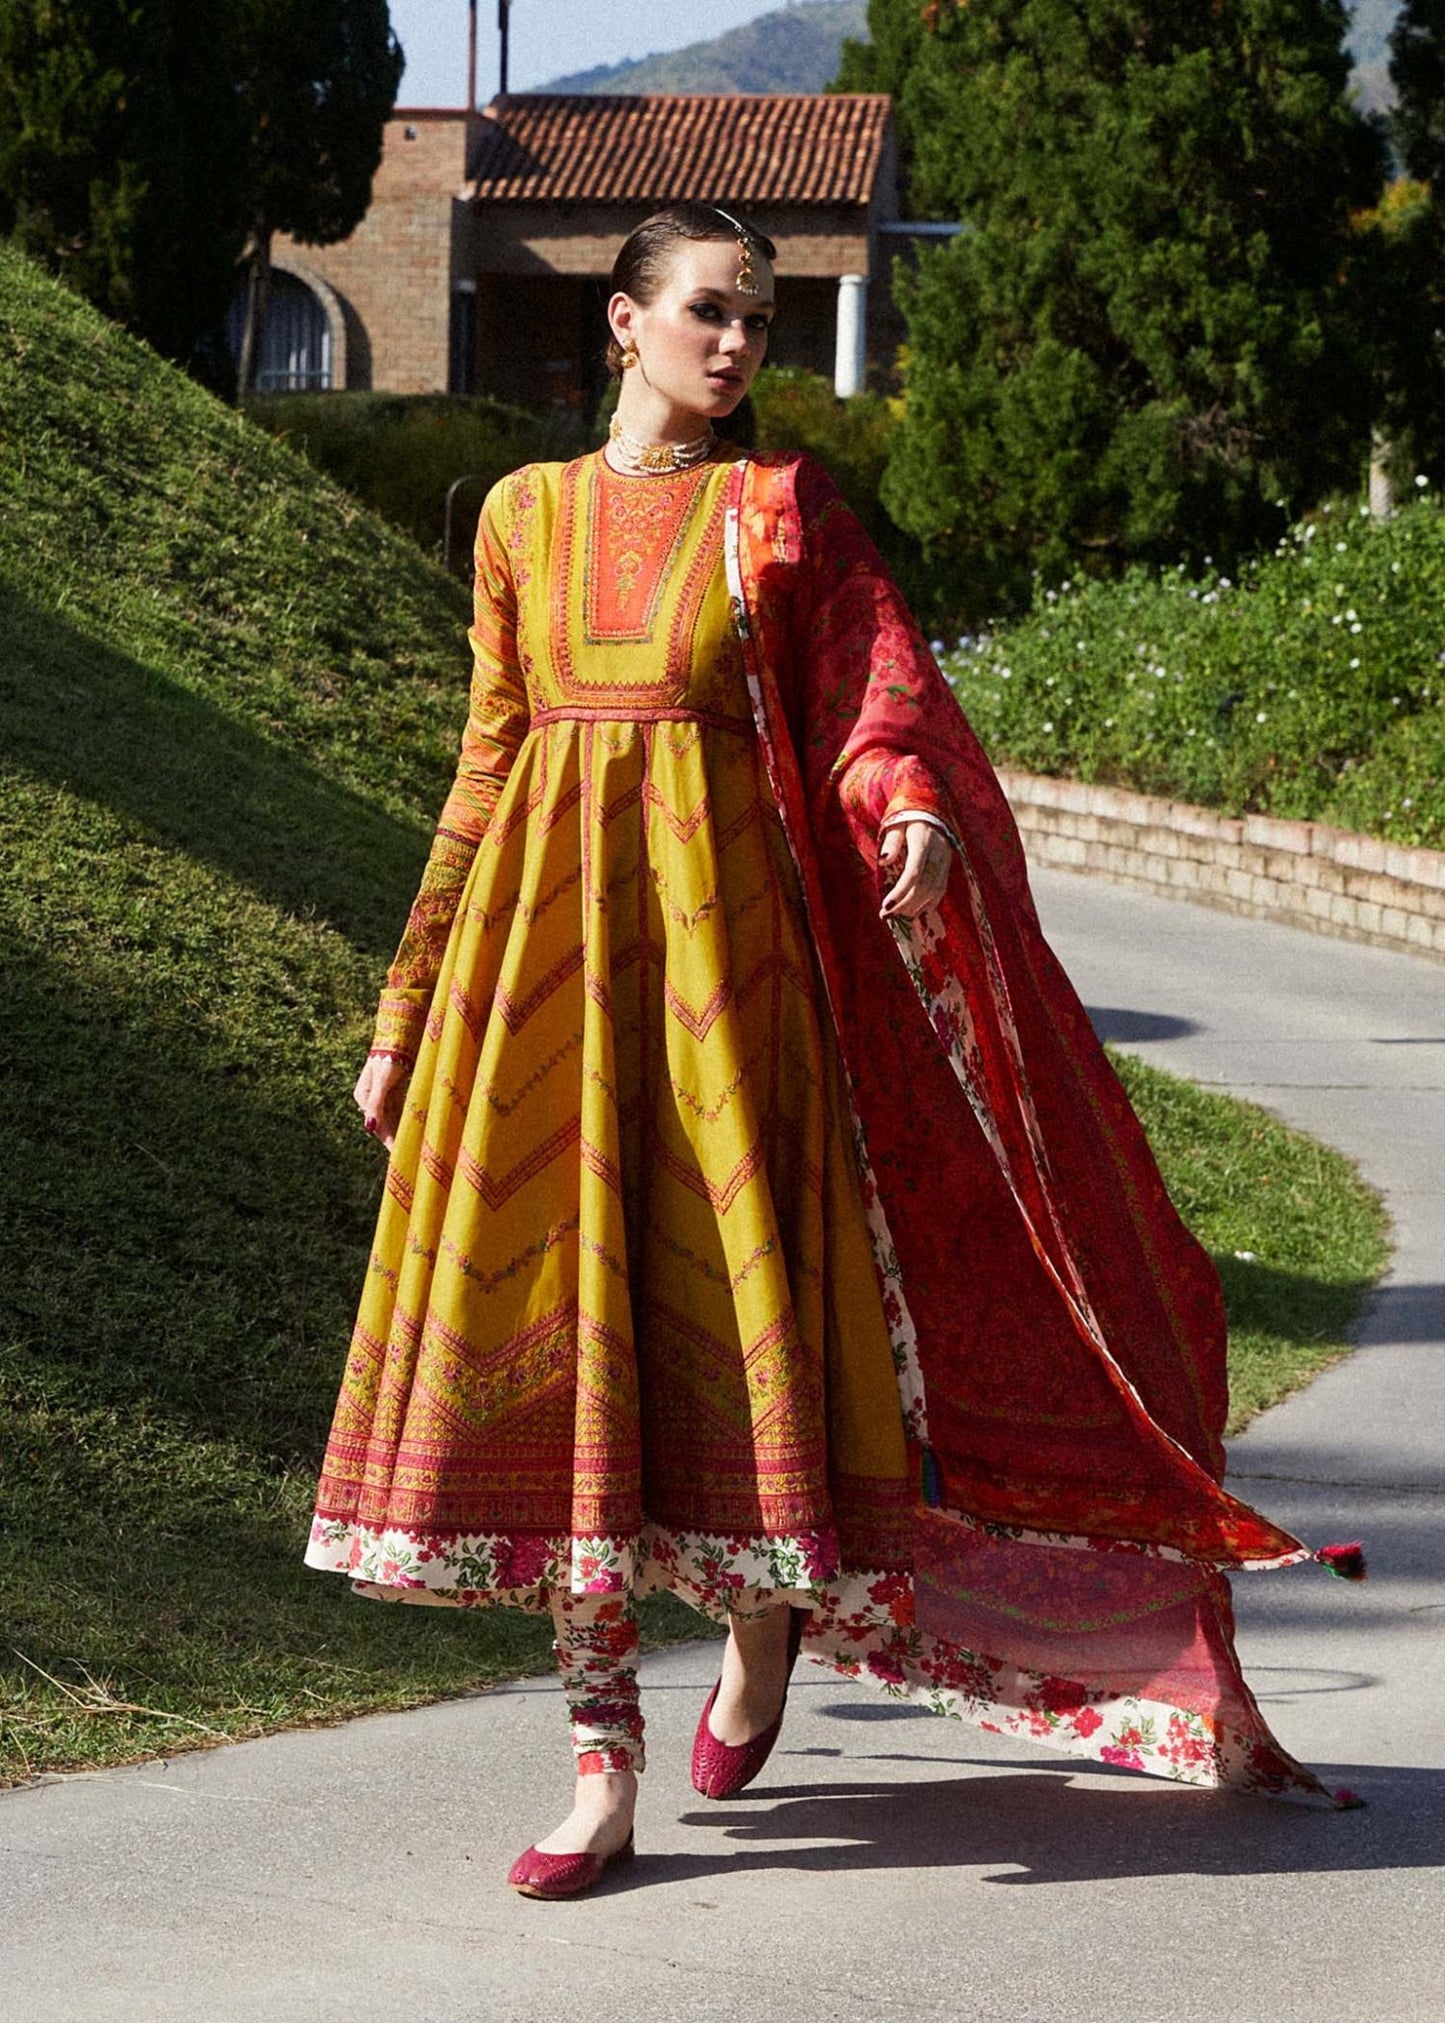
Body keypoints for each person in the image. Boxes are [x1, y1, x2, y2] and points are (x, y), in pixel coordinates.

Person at [305, 203, 1361, 1900]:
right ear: (623, 326)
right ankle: (599, 1765)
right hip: (550, 988)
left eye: (761, 322)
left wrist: (917, 804)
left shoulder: (777, 517)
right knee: (565, 1348)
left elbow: (880, 699)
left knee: (736, 1341)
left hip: (741, 1008)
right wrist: (406, 1011)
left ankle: (760, 1624)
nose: (738, 347)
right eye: (711, 311)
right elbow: (486, 765)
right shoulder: (522, 518)